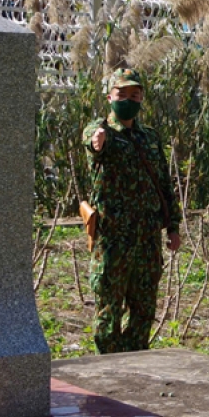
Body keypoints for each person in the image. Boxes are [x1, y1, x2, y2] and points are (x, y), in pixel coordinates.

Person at [82, 68, 182, 353]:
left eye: (134, 95)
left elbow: (164, 184)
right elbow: (92, 140)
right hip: (114, 240)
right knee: (109, 309)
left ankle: (135, 363)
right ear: (109, 96)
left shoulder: (149, 137)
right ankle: (109, 367)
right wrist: (96, 142)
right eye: (121, 94)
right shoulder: (103, 131)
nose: (128, 99)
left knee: (144, 309)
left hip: (147, 241)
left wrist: (173, 227)